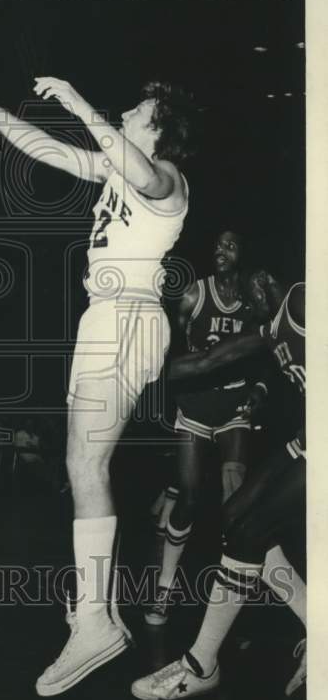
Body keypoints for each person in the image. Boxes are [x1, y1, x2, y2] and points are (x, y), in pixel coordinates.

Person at [0, 75, 199, 695]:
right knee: (83, 463)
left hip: (129, 317)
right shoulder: (119, 170)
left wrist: (77, 100)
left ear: (160, 129)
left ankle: (94, 622)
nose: (127, 110)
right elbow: (50, 151)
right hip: (106, 319)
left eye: (140, 109)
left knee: (87, 464)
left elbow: (118, 153)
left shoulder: (166, 179)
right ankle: (100, 613)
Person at [132, 282, 306, 700]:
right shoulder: (271, 327)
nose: (247, 303)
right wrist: (133, 369)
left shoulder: (304, 299)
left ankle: (201, 664)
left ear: (264, 283)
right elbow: (210, 360)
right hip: (307, 439)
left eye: (253, 293)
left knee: (250, 532)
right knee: (234, 517)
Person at [146, 231, 260, 625]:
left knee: (237, 501)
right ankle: (164, 588)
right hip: (195, 407)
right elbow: (171, 348)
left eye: (230, 244)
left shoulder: (254, 298)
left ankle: (237, 597)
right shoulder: (195, 294)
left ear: (245, 251)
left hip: (233, 407)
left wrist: (259, 389)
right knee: (190, 497)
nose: (220, 249)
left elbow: (266, 353)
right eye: (217, 244)